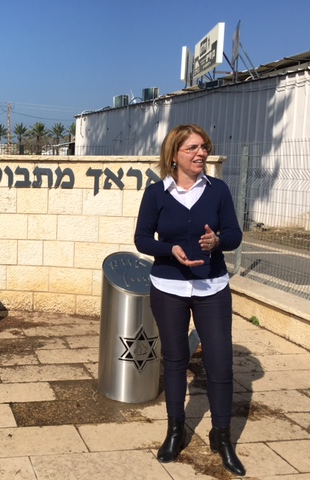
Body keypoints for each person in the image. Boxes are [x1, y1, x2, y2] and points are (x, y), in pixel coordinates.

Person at [134, 124, 245, 476]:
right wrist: (171, 250)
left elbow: (234, 234)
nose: (201, 154)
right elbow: (141, 239)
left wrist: (218, 243)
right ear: (174, 154)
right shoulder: (156, 193)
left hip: (212, 287)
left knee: (220, 361)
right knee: (176, 359)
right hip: (168, 287)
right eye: (193, 148)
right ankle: (175, 429)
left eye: (204, 147)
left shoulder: (218, 191)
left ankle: (222, 435)